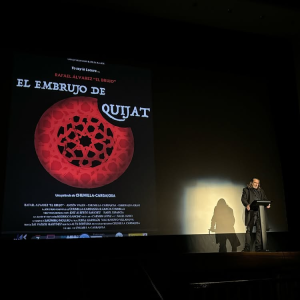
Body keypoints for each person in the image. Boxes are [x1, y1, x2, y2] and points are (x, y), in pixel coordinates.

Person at [241, 178, 270, 252]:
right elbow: (243, 199)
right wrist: (247, 204)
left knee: (259, 230)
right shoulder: (246, 190)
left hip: (260, 213)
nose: (256, 184)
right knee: (249, 230)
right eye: (255, 182)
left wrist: (267, 204)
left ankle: (258, 247)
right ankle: (247, 247)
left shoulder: (261, 191)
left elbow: (265, 199)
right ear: (251, 183)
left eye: (258, 183)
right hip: (251, 212)